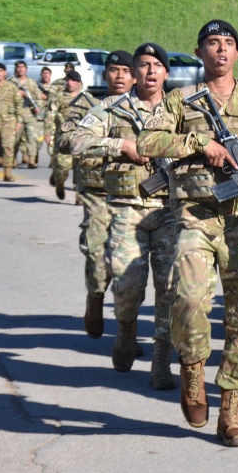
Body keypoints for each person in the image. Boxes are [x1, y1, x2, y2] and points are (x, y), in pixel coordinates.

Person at [137, 20, 238, 447]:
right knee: (186, 298)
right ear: (199, 52)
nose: (221, 50)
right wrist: (199, 144)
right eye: (212, 43)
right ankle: (192, 369)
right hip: (195, 217)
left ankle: (232, 412)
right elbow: (149, 142)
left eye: (228, 44)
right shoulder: (180, 100)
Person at [70, 44, 178, 390]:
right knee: (129, 285)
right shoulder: (112, 108)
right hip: (126, 208)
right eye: (143, 65)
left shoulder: (182, 107)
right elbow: (76, 140)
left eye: (156, 66)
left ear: (166, 73)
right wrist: (121, 147)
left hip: (170, 211)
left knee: (169, 287)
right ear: (134, 72)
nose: (150, 71)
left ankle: (162, 359)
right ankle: (126, 331)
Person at [58, 52, 135, 341]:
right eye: (114, 70)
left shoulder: (146, 108)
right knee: (97, 253)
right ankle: (96, 296)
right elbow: (66, 141)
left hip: (133, 192)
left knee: (129, 264)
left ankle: (127, 329)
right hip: (97, 191)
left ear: (135, 75)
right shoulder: (85, 106)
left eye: (125, 71)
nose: (119, 76)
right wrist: (112, 145)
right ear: (104, 76)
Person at [49, 71, 83, 199]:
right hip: (63, 138)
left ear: (79, 83)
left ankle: (79, 196)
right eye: (67, 80)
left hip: (81, 139)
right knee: (62, 167)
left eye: (73, 80)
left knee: (80, 169)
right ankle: (59, 183)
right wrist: (48, 133)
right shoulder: (58, 96)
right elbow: (50, 115)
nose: (69, 83)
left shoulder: (86, 98)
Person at [10, 61, 42, 169]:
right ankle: (12, 160)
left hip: (29, 113)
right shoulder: (11, 82)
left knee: (31, 137)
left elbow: (38, 97)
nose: (20, 69)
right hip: (15, 114)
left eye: (22, 67)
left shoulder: (31, 83)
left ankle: (31, 160)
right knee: (14, 138)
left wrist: (38, 107)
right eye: (18, 67)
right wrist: (17, 93)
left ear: (26, 69)